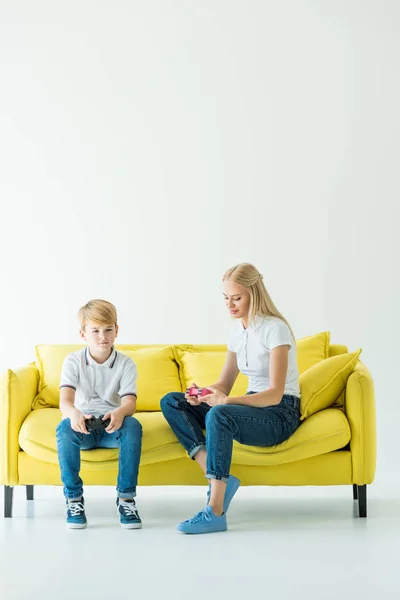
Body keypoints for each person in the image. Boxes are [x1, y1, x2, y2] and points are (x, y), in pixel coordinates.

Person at [161, 263, 301, 534]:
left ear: (254, 293)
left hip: (279, 412)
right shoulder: (238, 330)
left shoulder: (276, 330)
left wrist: (227, 402)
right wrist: (201, 394)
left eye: (237, 298)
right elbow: (224, 383)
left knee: (219, 414)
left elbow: (274, 393)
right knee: (172, 401)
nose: (230, 304)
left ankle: (215, 511)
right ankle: (217, 479)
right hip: (249, 407)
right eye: (226, 298)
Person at [56, 299, 143, 529]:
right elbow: (65, 401)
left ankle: (126, 498)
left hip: (110, 425)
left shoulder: (126, 364)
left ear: (117, 330)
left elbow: (130, 403)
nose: (102, 336)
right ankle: (74, 499)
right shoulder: (73, 361)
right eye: (95, 331)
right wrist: (74, 415)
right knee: (64, 428)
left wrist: (121, 413)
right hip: (83, 424)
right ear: (83, 334)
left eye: (107, 330)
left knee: (133, 426)